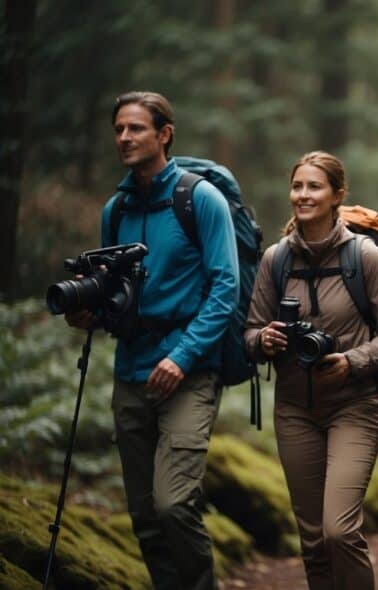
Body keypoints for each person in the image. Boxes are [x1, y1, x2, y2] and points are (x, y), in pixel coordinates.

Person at [64, 91, 239, 590]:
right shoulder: (115, 209)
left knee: (174, 502)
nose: (124, 138)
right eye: (119, 129)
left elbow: (226, 288)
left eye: (135, 128)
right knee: (144, 515)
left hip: (189, 372)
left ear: (164, 134)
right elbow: (113, 292)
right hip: (130, 371)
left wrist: (181, 358)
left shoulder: (199, 199)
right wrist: (89, 312)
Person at [244, 151, 378, 589]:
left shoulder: (365, 257)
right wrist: (265, 340)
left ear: (337, 195)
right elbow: (251, 330)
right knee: (313, 540)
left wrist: (352, 362)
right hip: (294, 408)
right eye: (297, 186)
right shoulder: (275, 260)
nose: (303, 195)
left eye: (314, 186)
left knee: (339, 530)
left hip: (354, 405)